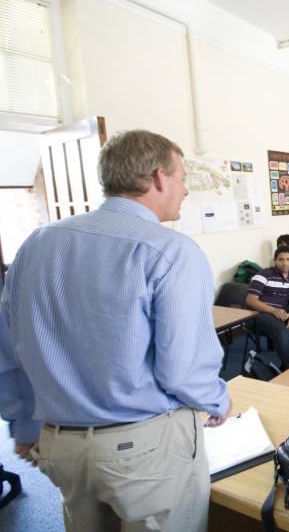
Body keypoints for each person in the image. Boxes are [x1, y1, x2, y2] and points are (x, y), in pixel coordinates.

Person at [0, 129, 230, 532]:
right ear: (159, 177)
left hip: (60, 443)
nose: (185, 190)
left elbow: (8, 348)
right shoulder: (171, 252)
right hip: (144, 450)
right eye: (182, 178)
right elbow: (183, 371)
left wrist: (23, 425)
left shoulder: (36, 243)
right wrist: (217, 400)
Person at [246, 245, 289, 369]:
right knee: (283, 333)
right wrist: (273, 310)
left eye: (288, 259)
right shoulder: (264, 274)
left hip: (282, 309)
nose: (285, 263)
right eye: (281, 259)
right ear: (275, 261)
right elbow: (251, 300)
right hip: (262, 312)